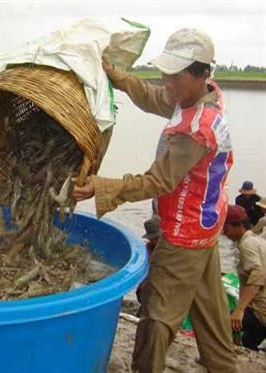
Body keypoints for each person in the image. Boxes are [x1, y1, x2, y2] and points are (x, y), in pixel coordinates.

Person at [73, 28, 238, 372]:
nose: (167, 82)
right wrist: (117, 76)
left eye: (175, 76)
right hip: (208, 225)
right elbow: (152, 96)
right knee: (209, 311)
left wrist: (102, 187)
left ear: (201, 74)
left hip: (183, 233)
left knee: (157, 316)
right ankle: (224, 364)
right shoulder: (205, 97)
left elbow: (159, 181)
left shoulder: (193, 130)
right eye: (165, 72)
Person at [222, 205, 266, 350]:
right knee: (248, 343)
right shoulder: (257, 240)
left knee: (220, 321)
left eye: (225, 228)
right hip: (259, 309)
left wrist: (240, 309)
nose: (223, 232)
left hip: (261, 311)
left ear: (238, 226)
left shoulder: (247, 244)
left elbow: (258, 273)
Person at [135, 216, 160, 307]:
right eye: (151, 239)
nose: (153, 241)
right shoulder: (147, 251)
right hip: (147, 293)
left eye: (156, 238)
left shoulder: (171, 250)